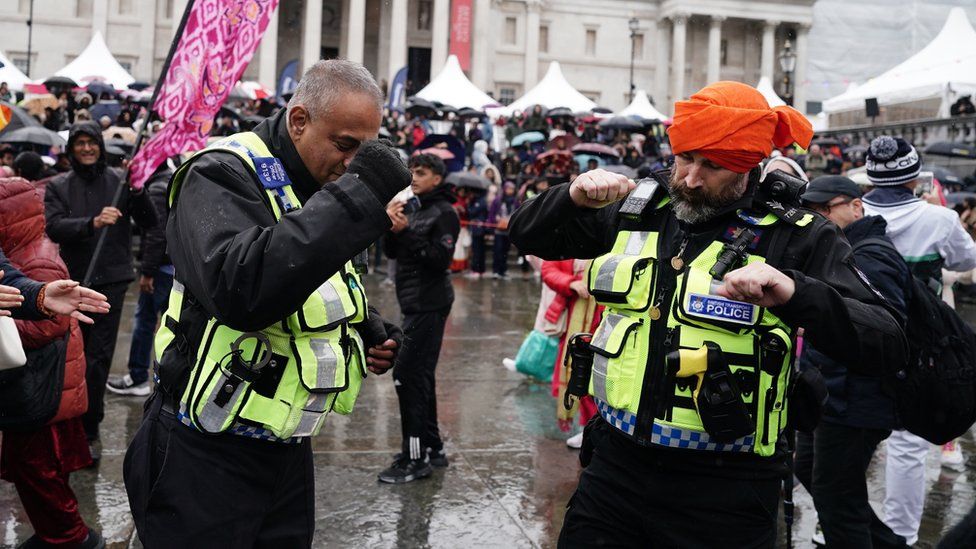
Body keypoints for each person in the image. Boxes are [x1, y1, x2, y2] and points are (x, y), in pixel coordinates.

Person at [509, 81, 907, 547]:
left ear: (749, 166)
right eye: (685, 157)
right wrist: (570, 196)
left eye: (713, 166)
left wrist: (796, 291)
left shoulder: (798, 234)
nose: (691, 178)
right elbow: (526, 233)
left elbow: (888, 340)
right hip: (614, 473)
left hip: (727, 491)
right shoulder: (640, 208)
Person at [121, 59, 410, 546]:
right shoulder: (217, 173)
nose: (351, 165)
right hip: (201, 454)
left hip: (286, 449)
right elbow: (241, 288)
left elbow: (320, 280)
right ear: (299, 121)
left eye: (365, 152)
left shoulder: (314, 185)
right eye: (344, 146)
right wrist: (354, 201)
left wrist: (368, 327)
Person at [860, 136, 976, 547]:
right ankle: (902, 536)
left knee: (848, 439)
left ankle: (843, 524)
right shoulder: (939, 219)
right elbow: (966, 260)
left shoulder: (850, 212)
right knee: (907, 447)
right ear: (914, 177)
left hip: (856, 338)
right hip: (918, 342)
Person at [795, 175, 910, 548]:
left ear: (856, 206)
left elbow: (886, 332)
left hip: (856, 400)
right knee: (813, 474)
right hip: (832, 394)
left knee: (837, 502)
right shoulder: (839, 246)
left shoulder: (870, 253)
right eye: (812, 210)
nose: (818, 217)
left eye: (826, 209)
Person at [0, 177, 112, 549]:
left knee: (41, 472)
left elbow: (38, 317)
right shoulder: (25, 250)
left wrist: (39, 297)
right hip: (40, 389)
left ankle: (70, 538)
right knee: (38, 471)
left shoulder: (37, 258)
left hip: (42, 391)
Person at [43, 122, 157, 459]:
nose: (86, 149)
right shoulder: (60, 185)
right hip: (72, 281)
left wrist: (136, 188)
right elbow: (54, 227)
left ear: (100, 146)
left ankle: (89, 430)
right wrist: (91, 223)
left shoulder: (117, 181)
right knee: (69, 355)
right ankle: (63, 423)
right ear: (71, 148)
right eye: (79, 143)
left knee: (98, 360)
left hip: (111, 280)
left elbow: (150, 221)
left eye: (91, 142)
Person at [379, 153, 460, 483]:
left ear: (437, 178)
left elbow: (440, 260)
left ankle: (416, 459)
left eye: (422, 172)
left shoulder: (445, 212)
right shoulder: (413, 207)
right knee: (420, 376)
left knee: (408, 377)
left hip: (430, 303)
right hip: (413, 302)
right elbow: (392, 253)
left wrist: (408, 231)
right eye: (412, 170)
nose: (414, 176)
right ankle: (433, 447)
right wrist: (392, 226)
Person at [107, 160, 177, 397]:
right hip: (173, 267)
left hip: (161, 270)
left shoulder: (157, 188)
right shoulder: (170, 180)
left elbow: (156, 233)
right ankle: (169, 380)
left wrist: (148, 272)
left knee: (145, 322)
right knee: (171, 326)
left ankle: (138, 377)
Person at [541, 259, 601, 449]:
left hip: (604, 317)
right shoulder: (571, 239)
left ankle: (595, 429)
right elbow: (549, 268)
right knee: (577, 373)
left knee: (596, 376)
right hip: (575, 317)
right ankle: (588, 428)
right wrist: (570, 282)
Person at [489, 181, 519, 279]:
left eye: (512, 189)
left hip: (508, 230)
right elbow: (491, 214)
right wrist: (494, 222)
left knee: (506, 251)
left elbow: (518, 214)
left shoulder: (515, 201)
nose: (510, 191)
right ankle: (496, 271)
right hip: (498, 230)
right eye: (509, 188)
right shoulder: (497, 200)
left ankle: (503, 270)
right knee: (498, 250)